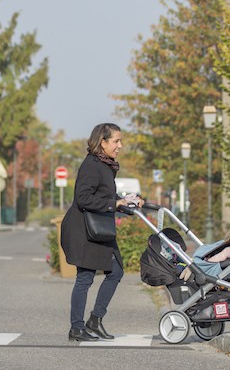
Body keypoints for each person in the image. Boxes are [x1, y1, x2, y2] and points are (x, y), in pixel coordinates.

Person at [60, 123, 142, 342]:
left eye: (120, 141)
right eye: (116, 141)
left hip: (99, 230)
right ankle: (77, 328)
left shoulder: (106, 165)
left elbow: (104, 197)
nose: (120, 146)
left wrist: (128, 202)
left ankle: (95, 320)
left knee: (115, 272)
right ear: (102, 142)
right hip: (84, 230)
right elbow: (83, 198)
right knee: (85, 278)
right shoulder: (92, 165)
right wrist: (114, 204)